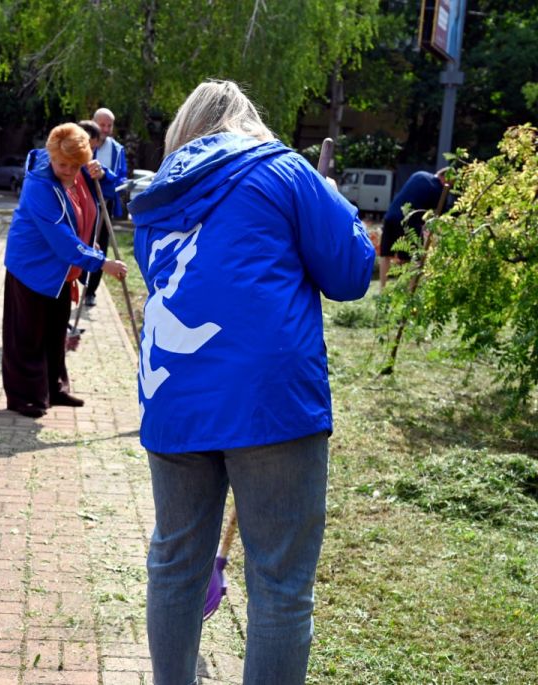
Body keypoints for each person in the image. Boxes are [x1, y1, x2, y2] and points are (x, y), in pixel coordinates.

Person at [128, 80, 374, 685]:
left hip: (174, 395)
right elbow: (350, 273)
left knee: (175, 564)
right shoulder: (285, 171)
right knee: (280, 584)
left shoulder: (157, 193)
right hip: (269, 402)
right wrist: (334, 203)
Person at [2, 123, 127, 418]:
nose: (69, 171)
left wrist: (102, 174)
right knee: (27, 336)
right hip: (32, 267)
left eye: (75, 165)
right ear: (52, 157)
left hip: (61, 271)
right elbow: (61, 238)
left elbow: (110, 191)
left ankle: (54, 388)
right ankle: (25, 397)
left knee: (55, 332)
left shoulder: (81, 170)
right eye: (62, 165)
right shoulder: (39, 185)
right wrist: (101, 263)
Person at [82, 108, 129, 307]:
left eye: (110, 125)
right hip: (83, 204)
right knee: (82, 241)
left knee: (101, 245)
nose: (106, 129)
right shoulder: (82, 144)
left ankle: (91, 291)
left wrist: (106, 176)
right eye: (102, 124)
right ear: (93, 123)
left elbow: (121, 179)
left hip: (104, 205)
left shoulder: (117, 150)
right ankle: (76, 281)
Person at [379, 168, 448, 288]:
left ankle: (382, 288)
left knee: (385, 255)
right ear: (445, 178)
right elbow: (437, 215)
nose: (450, 187)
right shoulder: (438, 189)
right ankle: (409, 290)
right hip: (408, 221)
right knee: (412, 257)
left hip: (391, 215)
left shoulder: (419, 174)